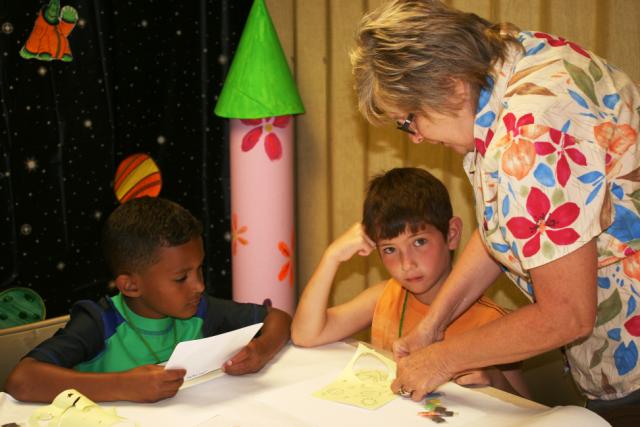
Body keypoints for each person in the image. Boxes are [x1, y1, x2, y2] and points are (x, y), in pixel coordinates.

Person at [350, 0, 640, 419]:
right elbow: (508, 226)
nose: (414, 137)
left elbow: (567, 314)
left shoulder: (528, 138)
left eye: (410, 119)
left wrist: (443, 359)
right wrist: (433, 325)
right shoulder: (509, 56)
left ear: (451, 87)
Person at [5, 197, 291, 403]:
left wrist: (261, 351)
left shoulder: (200, 309)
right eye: (181, 277)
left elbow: (278, 318)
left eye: (199, 269)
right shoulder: (99, 322)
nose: (199, 286)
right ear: (131, 286)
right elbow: (21, 380)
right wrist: (122, 386)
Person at [291, 167, 529, 397]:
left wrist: (495, 381)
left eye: (419, 242)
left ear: (452, 234)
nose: (406, 264)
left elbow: (529, 410)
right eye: (390, 249)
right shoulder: (385, 296)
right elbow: (306, 335)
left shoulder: (491, 320)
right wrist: (332, 256)